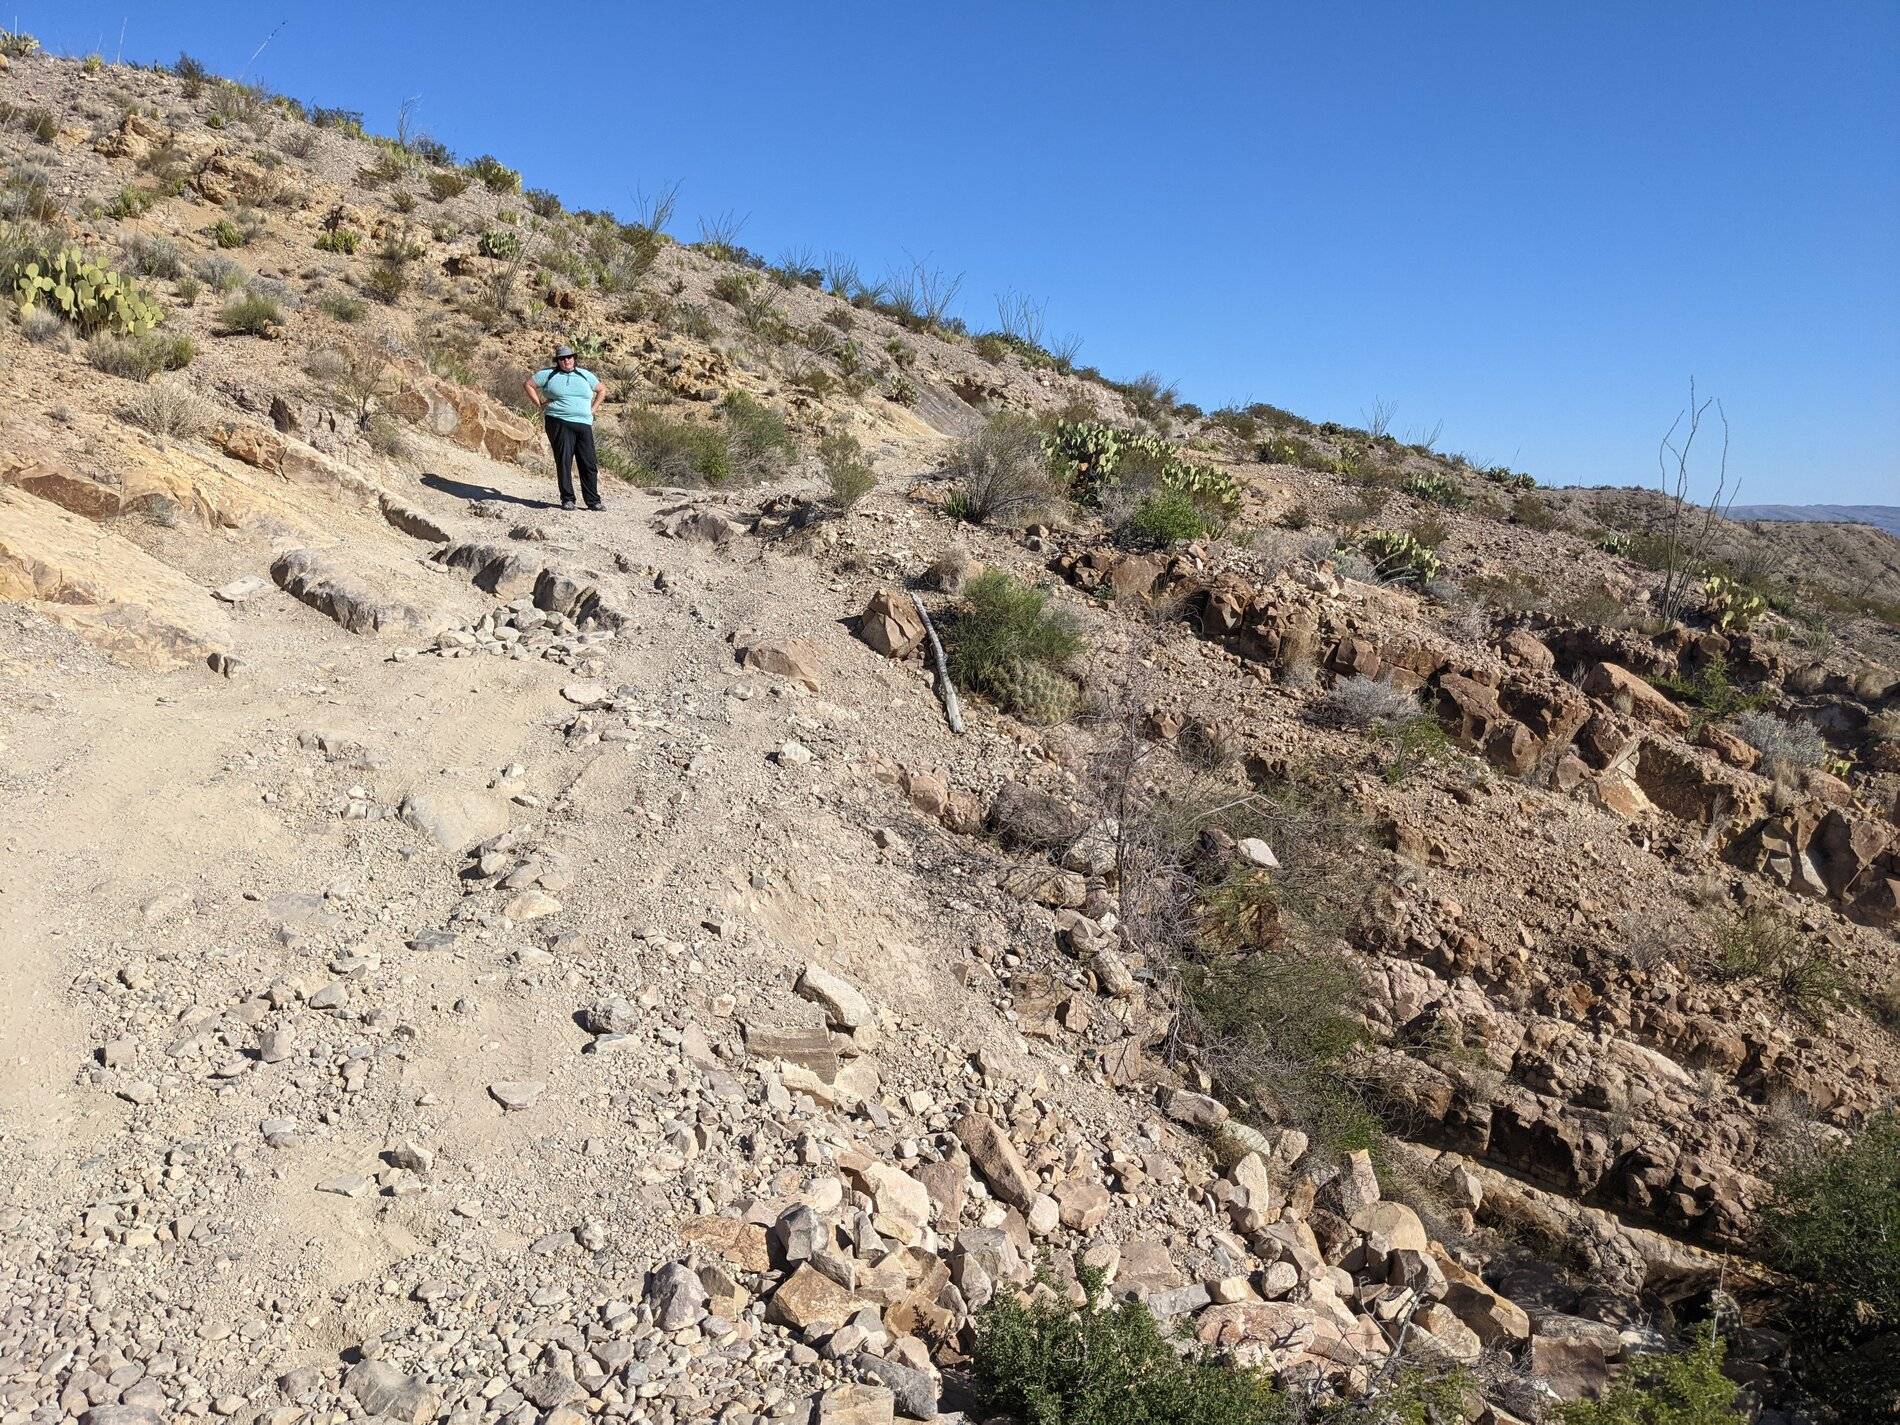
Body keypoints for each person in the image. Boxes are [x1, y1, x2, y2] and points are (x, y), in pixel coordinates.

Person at [523, 344, 607, 511]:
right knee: (564, 460)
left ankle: (593, 501)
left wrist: (593, 409)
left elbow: (602, 389)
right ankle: (567, 499)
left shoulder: (585, 375)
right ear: (558, 361)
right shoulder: (548, 374)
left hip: (583, 423)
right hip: (558, 421)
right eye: (562, 358)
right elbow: (528, 384)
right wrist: (538, 403)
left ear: (574, 358)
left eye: (569, 357)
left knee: (588, 462)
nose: (566, 360)